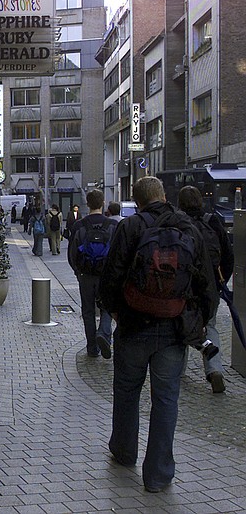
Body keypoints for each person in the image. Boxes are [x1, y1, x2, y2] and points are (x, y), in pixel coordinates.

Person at [99, 176, 217, 493]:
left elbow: (110, 277)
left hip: (134, 325)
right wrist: (199, 319)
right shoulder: (188, 227)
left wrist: (114, 312)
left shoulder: (130, 227)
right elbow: (207, 282)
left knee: (126, 391)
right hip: (174, 328)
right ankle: (158, 475)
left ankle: (124, 452)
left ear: (136, 201)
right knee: (166, 399)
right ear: (165, 196)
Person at [177, 185, 234, 393]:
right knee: (210, 325)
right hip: (210, 287)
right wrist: (220, 282)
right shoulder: (213, 221)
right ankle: (214, 368)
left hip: (185, 286)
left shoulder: (179, 223)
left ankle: (178, 372)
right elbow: (228, 256)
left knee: (181, 326)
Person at [68, 189, 118, 358]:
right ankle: (103, 333)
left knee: (88, 311)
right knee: (107, 307)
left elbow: (72, 253)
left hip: (86, 275)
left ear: (87, 204)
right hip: (106, 276)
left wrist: (78, 271)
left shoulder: (79, 226)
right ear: (103, 203)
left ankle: (92, 348)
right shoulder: (113, 226)